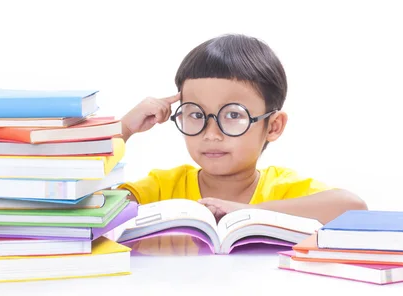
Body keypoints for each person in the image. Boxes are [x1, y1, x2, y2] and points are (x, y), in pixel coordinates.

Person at [118, 34, 367, 224]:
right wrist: (124, 129)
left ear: (273, 126)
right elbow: (89, 213)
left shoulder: (282, 190)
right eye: (196, 114)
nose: (211, 134)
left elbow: (353, 208)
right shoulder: (163, 187)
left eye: (233, 115)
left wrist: (252, 212)